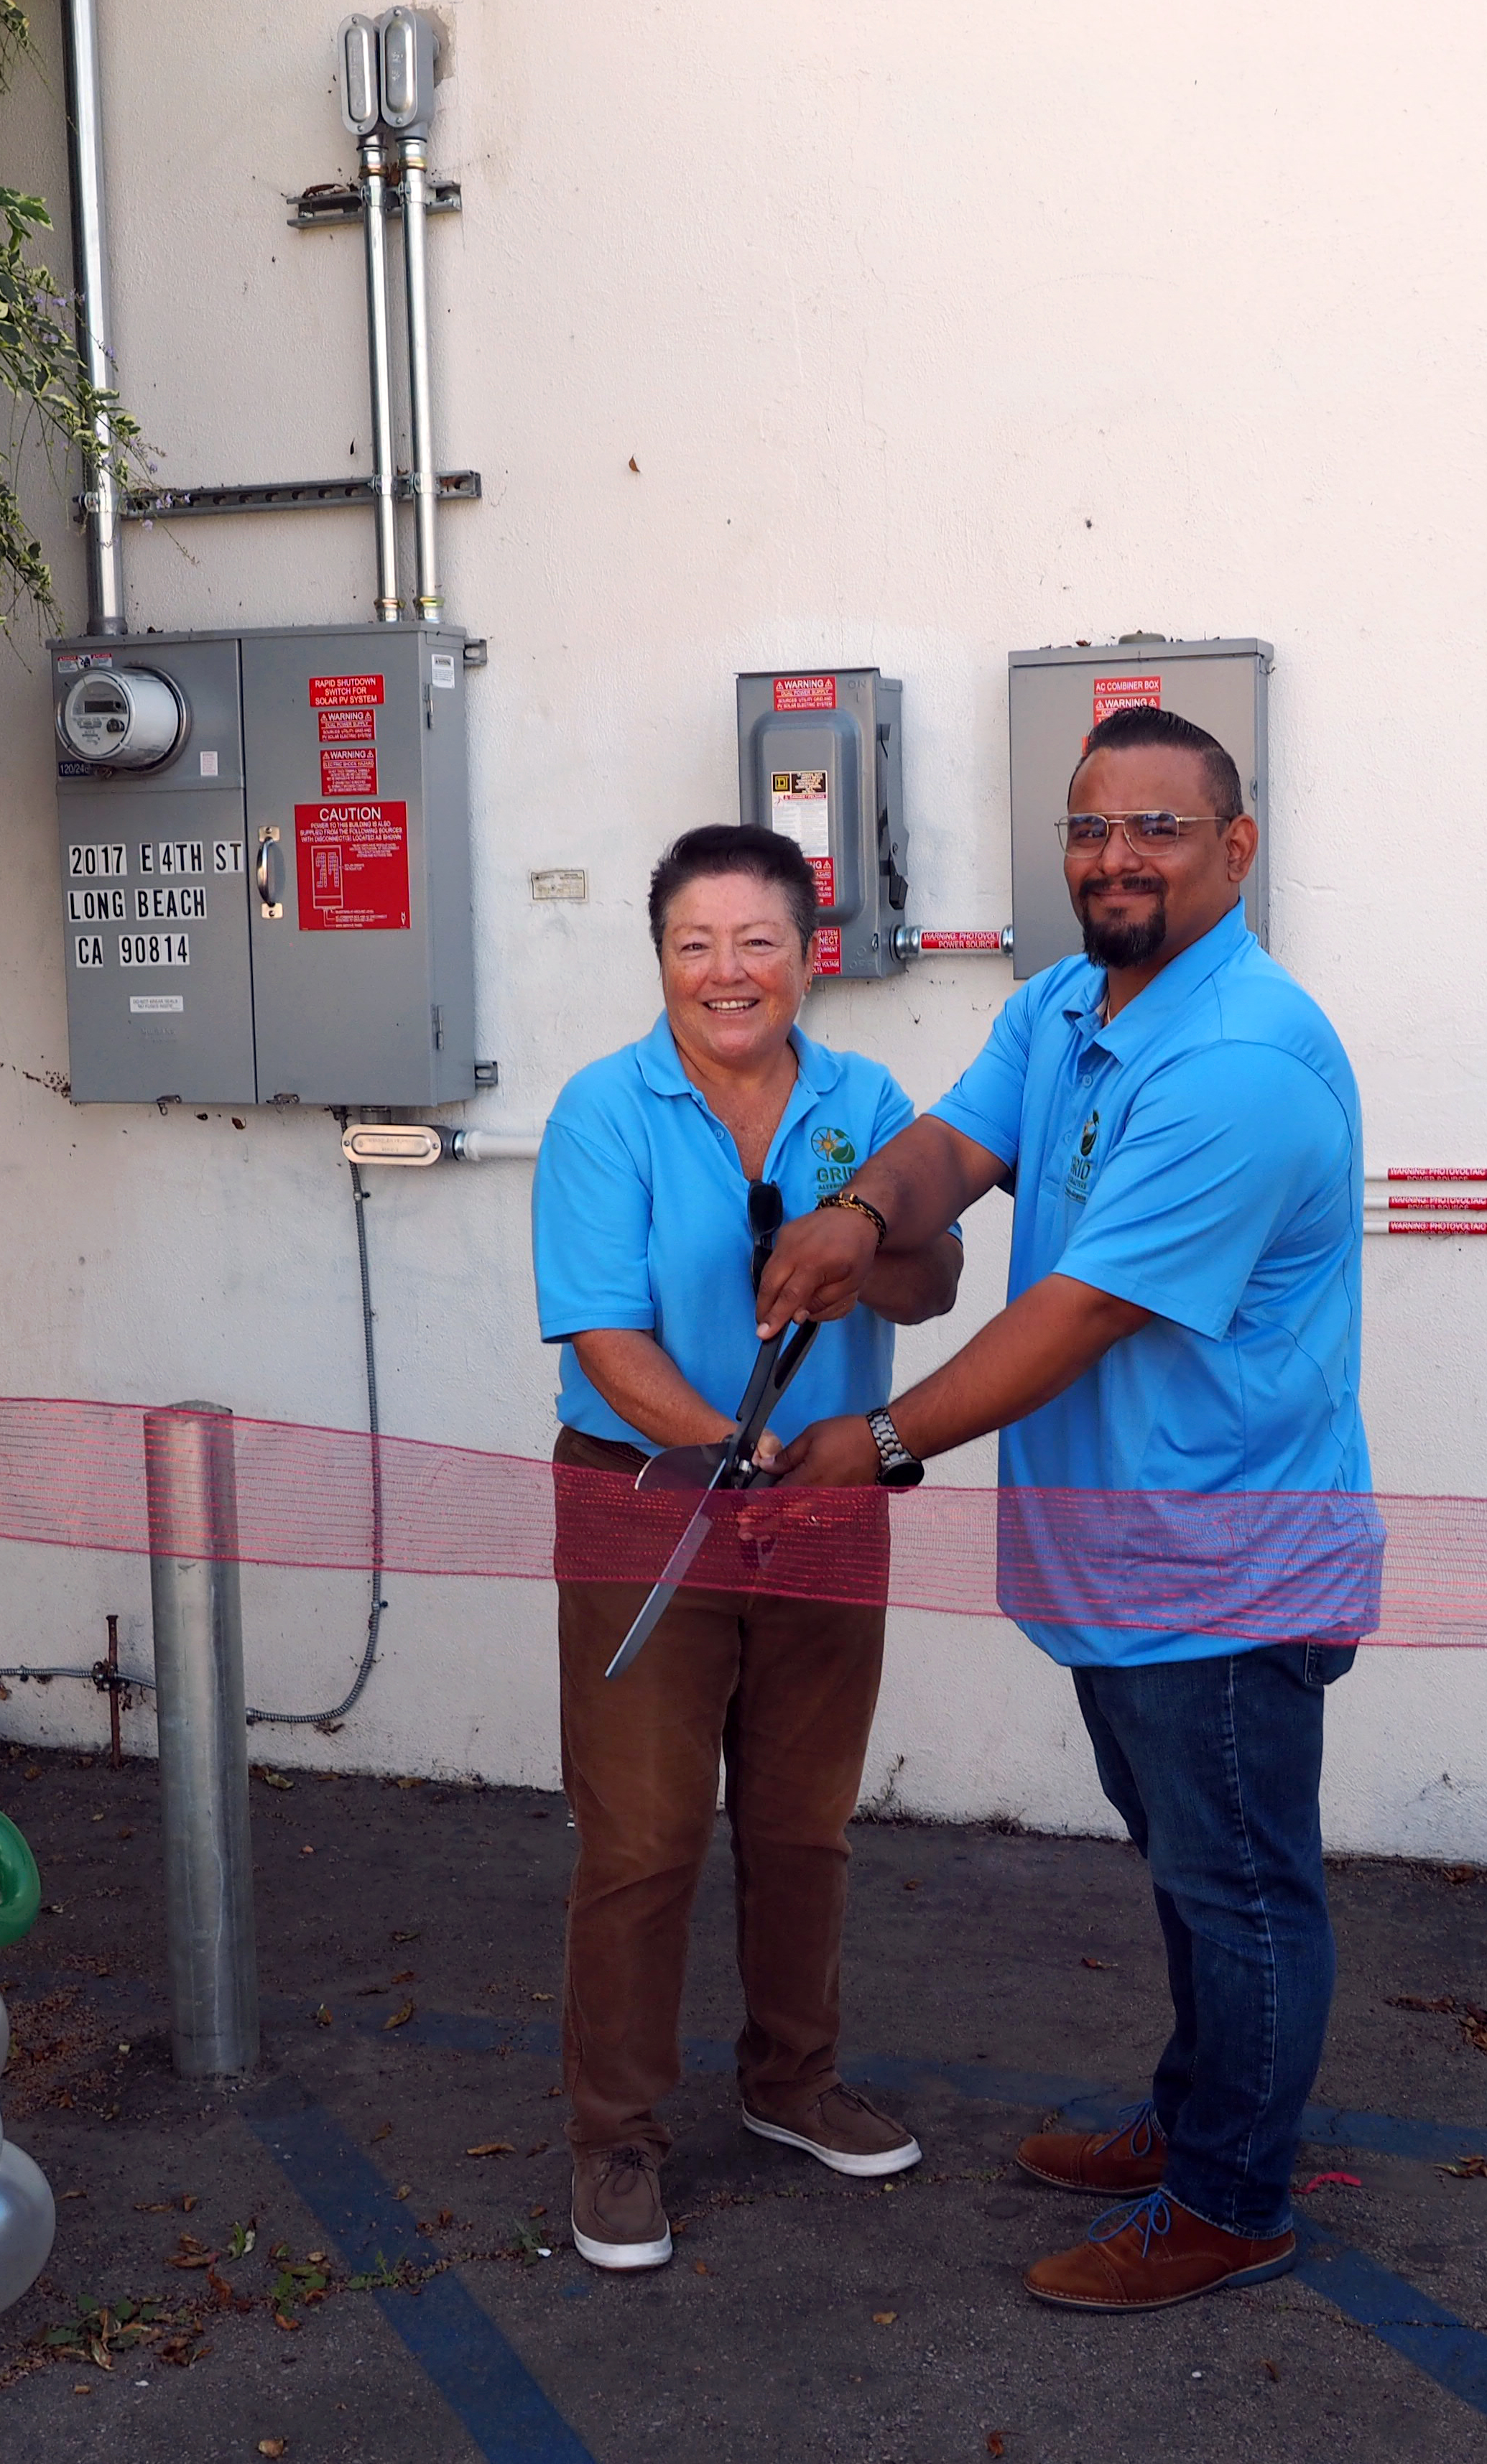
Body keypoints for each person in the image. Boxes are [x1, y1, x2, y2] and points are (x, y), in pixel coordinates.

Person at [759, 704, 1370, 2312]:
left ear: (1236, 850)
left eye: (1159, 830)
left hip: (1222, 1566)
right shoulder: (1069, 1004)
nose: (1117, 859)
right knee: (1191, 1871)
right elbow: (960, 1145)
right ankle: (1193, 2123)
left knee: (1240, 1888)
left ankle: (1233, 2200)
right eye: (1091, 829)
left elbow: (1083, 1311)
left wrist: (880, 1441)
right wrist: (856, 1210)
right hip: (1122, 1560)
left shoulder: (1241, 1061)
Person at [531, 823, 964, 2274]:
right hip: (648, 1495)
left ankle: (789, 2082)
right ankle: (616, 2139)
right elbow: (602, 1333)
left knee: (801, 1821)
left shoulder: (869, 1100)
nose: (728, 973)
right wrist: (727, 1441)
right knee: (645, 1834)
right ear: (661, 959)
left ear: (807, 955)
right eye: (695, 945)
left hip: (825, 1506)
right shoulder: (605, 1110)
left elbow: (939, 1271)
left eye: (757, 941)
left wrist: (859, 1244)